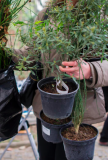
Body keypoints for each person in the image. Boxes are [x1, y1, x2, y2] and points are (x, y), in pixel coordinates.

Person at [12, 0, 108, 159]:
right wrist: (4, 56)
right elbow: (32, 54)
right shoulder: (47, 14)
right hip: (47, 107)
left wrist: (91, 70)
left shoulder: (101, 13)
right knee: (46, 155)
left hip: (79, 111)